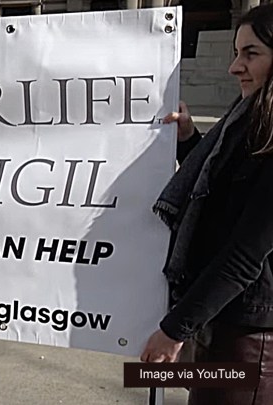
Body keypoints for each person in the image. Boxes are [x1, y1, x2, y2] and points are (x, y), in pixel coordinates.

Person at [141, 4, 273, 404]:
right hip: (222, 327)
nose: (235, 67)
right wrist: (188, 139)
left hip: (250, 343)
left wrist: (173, 331)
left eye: (251, 54)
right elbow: (224, 193)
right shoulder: (247, 120)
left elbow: (245, 254)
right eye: (236, 52)